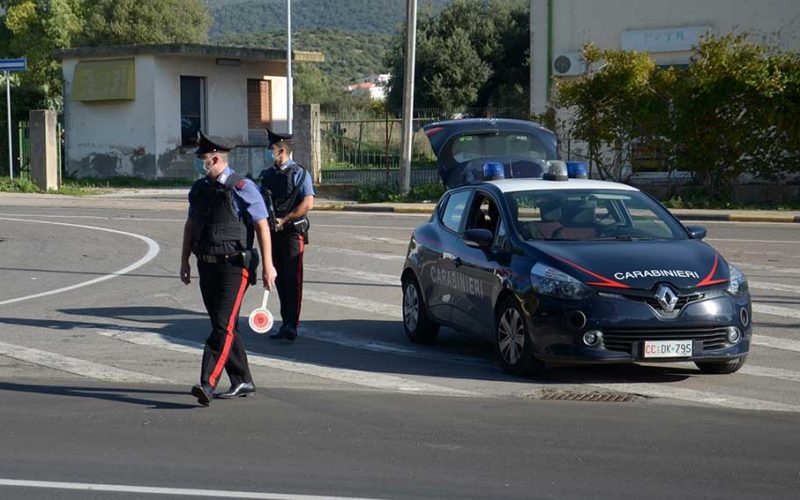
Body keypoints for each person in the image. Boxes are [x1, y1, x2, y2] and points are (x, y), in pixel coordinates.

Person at [180, 130, 277, 406]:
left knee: (222, 326)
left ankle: (207, 383)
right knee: (225, 325)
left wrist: (269, 265)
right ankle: (242, 379)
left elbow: (261, 225)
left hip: (235, 266)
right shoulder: (199, 189)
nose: (200, 162)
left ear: (214, 158)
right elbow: (191, 225)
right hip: (207, 265)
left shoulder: (242, 187)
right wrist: (184, 260)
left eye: (202, 158)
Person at [258, 128, 315, 342]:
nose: (268, 152)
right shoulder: (268, 175)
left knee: (293, 279)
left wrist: (287, 218)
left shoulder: (300, 173)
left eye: (271, 149)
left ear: (281, 150)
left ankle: (293, 324)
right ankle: (285, 322)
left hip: (292, 232)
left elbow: (308, 202)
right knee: (280, 279)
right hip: (273, 233)